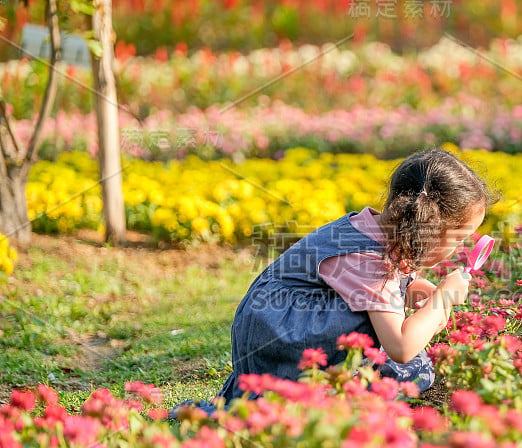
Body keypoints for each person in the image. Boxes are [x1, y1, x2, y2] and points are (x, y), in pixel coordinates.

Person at [174, 148, 493, 415]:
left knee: (401, 355)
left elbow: (379, 285)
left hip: (276, 327)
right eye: (458, 238)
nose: (460, 249)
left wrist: (417, 290)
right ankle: (319, 393)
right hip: (285, 337)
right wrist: (442, 301)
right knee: (400, 355)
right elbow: (401, 346)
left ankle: (337, 384)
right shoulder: (369, 261)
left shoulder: (373, 228)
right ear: (426, 228)